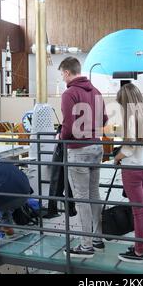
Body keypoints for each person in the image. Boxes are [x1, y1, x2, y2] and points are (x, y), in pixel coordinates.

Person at [58, 57, 109, 258]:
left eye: (62, 74)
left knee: (81, 198)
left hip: (78, 150)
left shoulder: (69, 93)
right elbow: (104, 119)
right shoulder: (96, 91)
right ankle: (97, 239)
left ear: (68, 72)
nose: (62, 78)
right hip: (96, 147)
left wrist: (60, 136)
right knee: (93, 194)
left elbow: (68, 127)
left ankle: (86, 245)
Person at [114, 83, 143, 263]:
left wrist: (117, 158)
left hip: (132, 169)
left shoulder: (131, 118)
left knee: (138, 212)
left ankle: (138, 252)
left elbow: (130, 148)